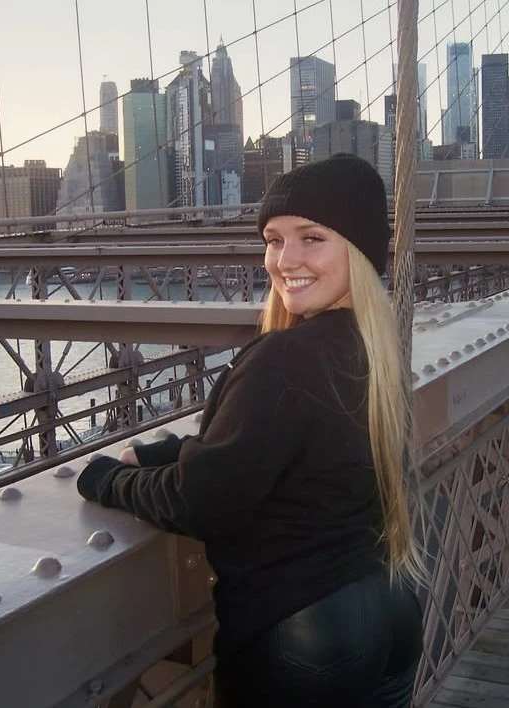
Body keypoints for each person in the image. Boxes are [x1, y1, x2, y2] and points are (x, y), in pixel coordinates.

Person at [77, 153, 424, 707]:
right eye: (273, 239)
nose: (285, 260)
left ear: (358, 251)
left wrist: (105, 480)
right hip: (390, 610)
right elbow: (271, 442)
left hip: (303, 635)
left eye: (312, 238)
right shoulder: (371, 349)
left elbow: (201, 500)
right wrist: (161, 453)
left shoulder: (284, 359)